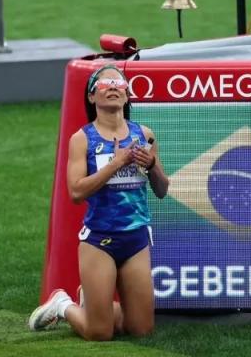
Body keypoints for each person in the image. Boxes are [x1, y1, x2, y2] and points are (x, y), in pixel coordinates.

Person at [29, 64, 169, 340]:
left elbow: (162, 190)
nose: (114, 88)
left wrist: (152, 164)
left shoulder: (145, 135)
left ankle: (94, 304)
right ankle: (64, 305)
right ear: (92, 97)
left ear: (127, 96)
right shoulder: (82, 139)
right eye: (105, 85)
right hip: (99, 240)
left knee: (141, 330)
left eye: (119, 84)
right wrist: (115, 164)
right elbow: (76, 191)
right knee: (99, 332)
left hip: (136, 239)